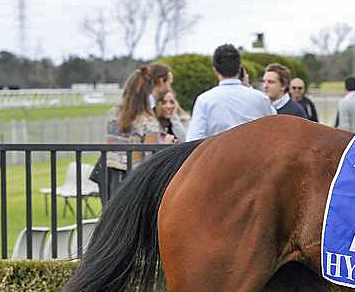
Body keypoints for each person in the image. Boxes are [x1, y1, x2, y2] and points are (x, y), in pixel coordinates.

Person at [100, 63, 177, 202]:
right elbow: (149, 159)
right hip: (133, 181)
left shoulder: (112, 114)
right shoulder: (148, 122)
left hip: (109, 174)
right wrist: (163, 145)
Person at [186, 45, 275, 141]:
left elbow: (193, 139)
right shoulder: (260, 98)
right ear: (240, 69)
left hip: (218, 154)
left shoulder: (204, 100)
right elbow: (274, 129)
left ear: (215, 71)